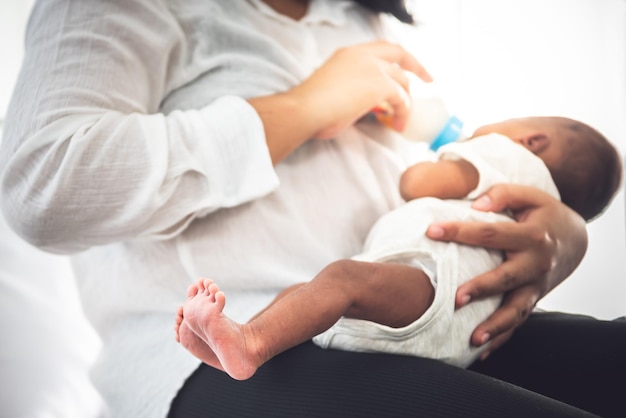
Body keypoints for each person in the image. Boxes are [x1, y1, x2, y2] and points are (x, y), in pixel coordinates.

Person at [1, 0, 624, 417]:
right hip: (213, 353)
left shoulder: (360, 20)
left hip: (397, 321)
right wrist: (303, 107)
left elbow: (416, 188)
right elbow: (41, 186)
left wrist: (564, 235)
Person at [174, 116, 622, 380]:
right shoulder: (533, 203)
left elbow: (417, 183)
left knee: (340, 279)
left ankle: (249, 339)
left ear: (533, 141)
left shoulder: (510, 159)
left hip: (431, 288)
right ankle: (233, 342)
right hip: (456, 332)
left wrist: (451, 157)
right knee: (310, 292)